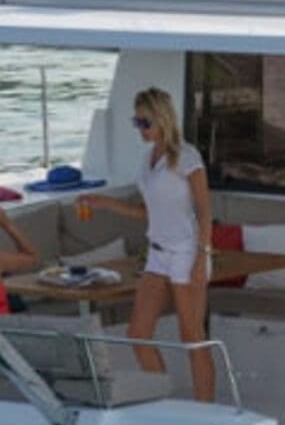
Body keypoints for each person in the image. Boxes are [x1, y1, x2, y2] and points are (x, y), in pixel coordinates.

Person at [78, 88, 216, 401]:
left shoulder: (187, 157)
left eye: (144, 122)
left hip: (186, 252)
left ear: (162, 119)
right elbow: (147, 211)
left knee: (192, 337)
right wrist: (105, 203)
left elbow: (205, 211)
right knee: (138, 334)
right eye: (136, 122)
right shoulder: (148, 159)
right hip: (157, 253)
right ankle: (165, 402)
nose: (139, 129)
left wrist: (201, 257)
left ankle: (207, 411)